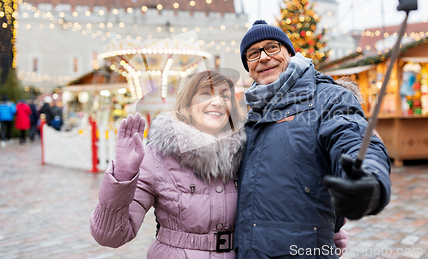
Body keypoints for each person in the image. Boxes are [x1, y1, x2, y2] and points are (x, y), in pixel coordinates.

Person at [91, 70, 339, 258]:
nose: (217, 102)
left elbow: (287, 201)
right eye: (206, 94)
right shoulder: (157, 158)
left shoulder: (249, 152)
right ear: (187, 106)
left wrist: (325, 232)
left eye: (225, 96)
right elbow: (110, 236)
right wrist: (122, 176)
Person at [234, 20, 391, 258]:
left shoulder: (328, 98)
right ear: (248, 66)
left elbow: (353, 138)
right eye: (253, 53)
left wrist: (368, 178)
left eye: (272, 47)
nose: (264, 57)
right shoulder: (247, 111)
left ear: (290, 52)